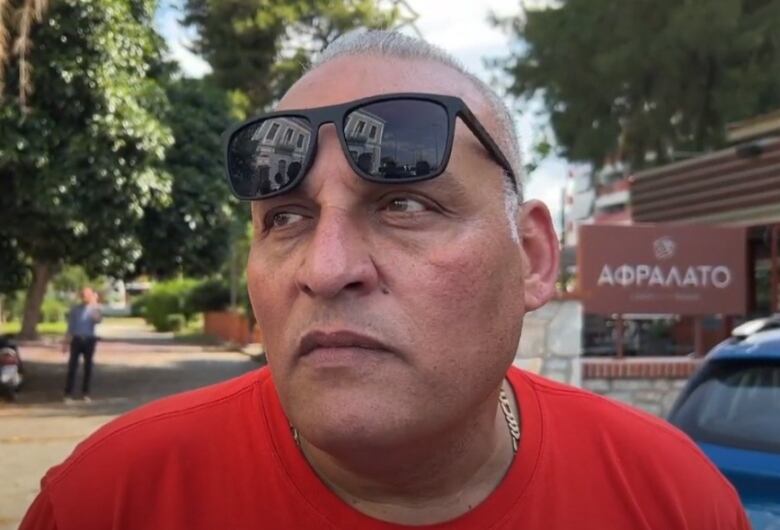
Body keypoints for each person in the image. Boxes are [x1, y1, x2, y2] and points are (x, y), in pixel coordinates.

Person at [21, 30, 749, 529]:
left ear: (530, 256)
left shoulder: (671, 499)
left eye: (404, 204)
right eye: (285, 219)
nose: (327, 267)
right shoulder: (111, 500)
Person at [62, 287, 102, 403]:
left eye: (87, 295)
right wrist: (66, 342)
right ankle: (68, 393)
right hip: (77, 340)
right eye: (83, 295)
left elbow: (98, 320)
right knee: (72, 367)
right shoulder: (75, 309)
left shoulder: (95, 309)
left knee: (88, 367)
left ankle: (86, 393)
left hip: (89, 340)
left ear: (91, 296)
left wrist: (94, 305)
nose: (85, 297)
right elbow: (70, 327)